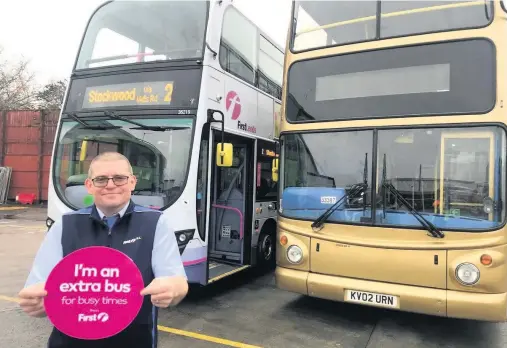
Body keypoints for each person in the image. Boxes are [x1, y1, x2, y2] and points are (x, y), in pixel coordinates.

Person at [17, 152, 189, 348]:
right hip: (70, 342)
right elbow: (39, 285)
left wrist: (173, 289)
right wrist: (36, 301)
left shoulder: (155, 222)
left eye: (119, 178)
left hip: (133, 341)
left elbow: (175, 280)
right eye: (101, 179)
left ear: (132, 182)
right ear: (89, 185)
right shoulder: (65, 225)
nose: (110, 185)